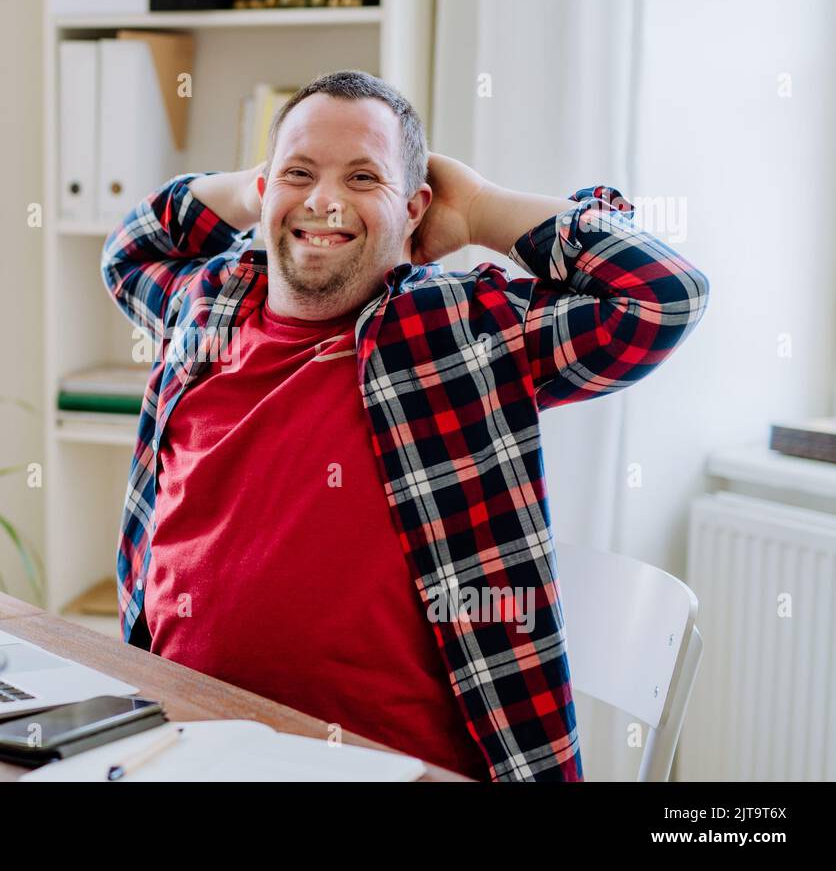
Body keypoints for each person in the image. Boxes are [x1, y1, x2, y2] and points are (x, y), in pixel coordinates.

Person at [100, 69, 709, 781]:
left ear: (416, 207)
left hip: (395, 770)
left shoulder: (457, 330)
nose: (325, 201)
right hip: (182, 739)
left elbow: (663, 296)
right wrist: (250, 191)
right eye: (300, 172)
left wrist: (480, 208)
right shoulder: (206, 307)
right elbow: (130, 249)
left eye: (364, 178)